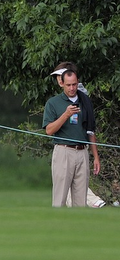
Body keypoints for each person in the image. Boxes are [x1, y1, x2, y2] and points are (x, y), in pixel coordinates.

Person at [50, 62, 106, 208]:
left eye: (74, 84)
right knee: (60, 199)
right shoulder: (53, 102)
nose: (72, 88)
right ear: (62, 83)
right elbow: (49, 130)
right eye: (68, 84)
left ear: (77, 82)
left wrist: (96, 157)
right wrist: (66, 114)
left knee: (80, 202)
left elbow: (90, 131)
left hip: (82, 152)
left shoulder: (85, 101)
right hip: (64, 152)